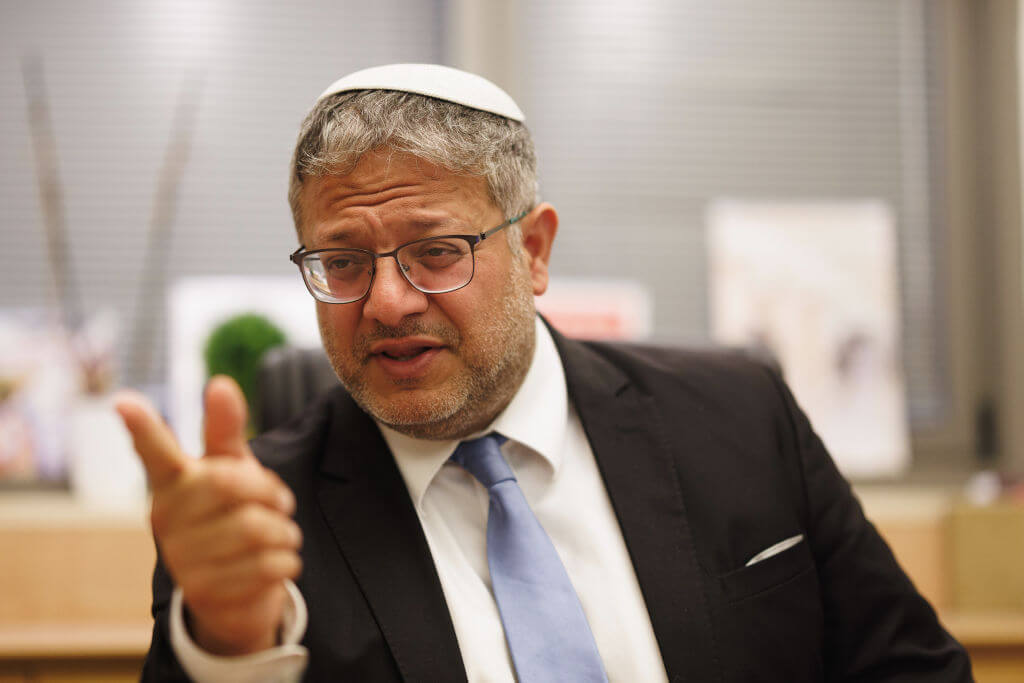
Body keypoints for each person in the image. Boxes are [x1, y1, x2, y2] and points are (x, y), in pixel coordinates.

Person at [116, 64, 972, 682]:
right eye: (341, 262)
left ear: (532, 250)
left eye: (436, 251)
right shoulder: (253, 513)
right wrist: (232, 644)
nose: (383, 302)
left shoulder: (739, 418)